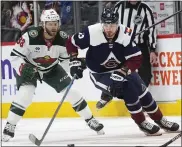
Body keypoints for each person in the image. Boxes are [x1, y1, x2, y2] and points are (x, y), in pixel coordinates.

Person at [66, 8, 180, 136]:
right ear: (101, 24)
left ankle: (160, 119)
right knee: (128, 89)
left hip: (122, 70)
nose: (109, 29)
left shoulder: (125, 34)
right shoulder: (91, 32)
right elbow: (71, 43)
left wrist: (123, 71)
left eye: (112, 25)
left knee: (142, 90)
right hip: (100, 74)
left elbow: (136, 58)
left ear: (118, 24)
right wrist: (74, 59)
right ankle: (141, 122)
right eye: (106, 25)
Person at [2, 9, 104, 142]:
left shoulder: (63, 39)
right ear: (43, 24)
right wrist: (23, 68)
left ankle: (90, 119)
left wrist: (74, 67)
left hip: (51, 68)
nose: (53, 27)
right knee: (26, 93)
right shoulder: (30, 36)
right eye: (50, 24)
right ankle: (10, 125)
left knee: (71, 91)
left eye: (55, 24)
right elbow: (15, 57)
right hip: (30, 68)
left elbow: (66, 60)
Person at [96, 0, 158, 109]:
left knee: (145, 73)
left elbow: (152, 29)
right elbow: (110, 24)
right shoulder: (118, 6)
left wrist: (152, 49)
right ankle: (106, 95)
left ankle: (140, 100)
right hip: (121, 44)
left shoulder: (145, 8)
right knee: (111, 68)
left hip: (140, 45)